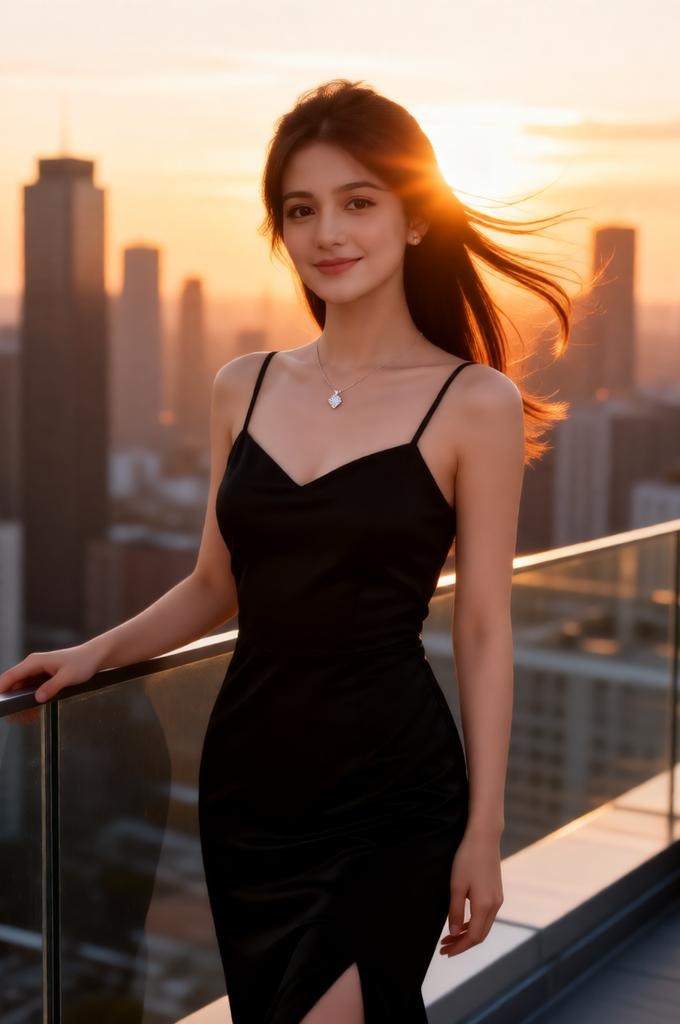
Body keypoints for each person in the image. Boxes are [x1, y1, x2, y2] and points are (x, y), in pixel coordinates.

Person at [1, 79, 574, 1022]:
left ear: (416, 219)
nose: (327, 233)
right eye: (300, 210)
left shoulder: (474, 402)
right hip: (252, 791)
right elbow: (213, 583)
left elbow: (482, 626)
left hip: (393, 794)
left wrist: (484, 831)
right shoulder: (243, 386)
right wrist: (91, 653)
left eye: (358, 202)